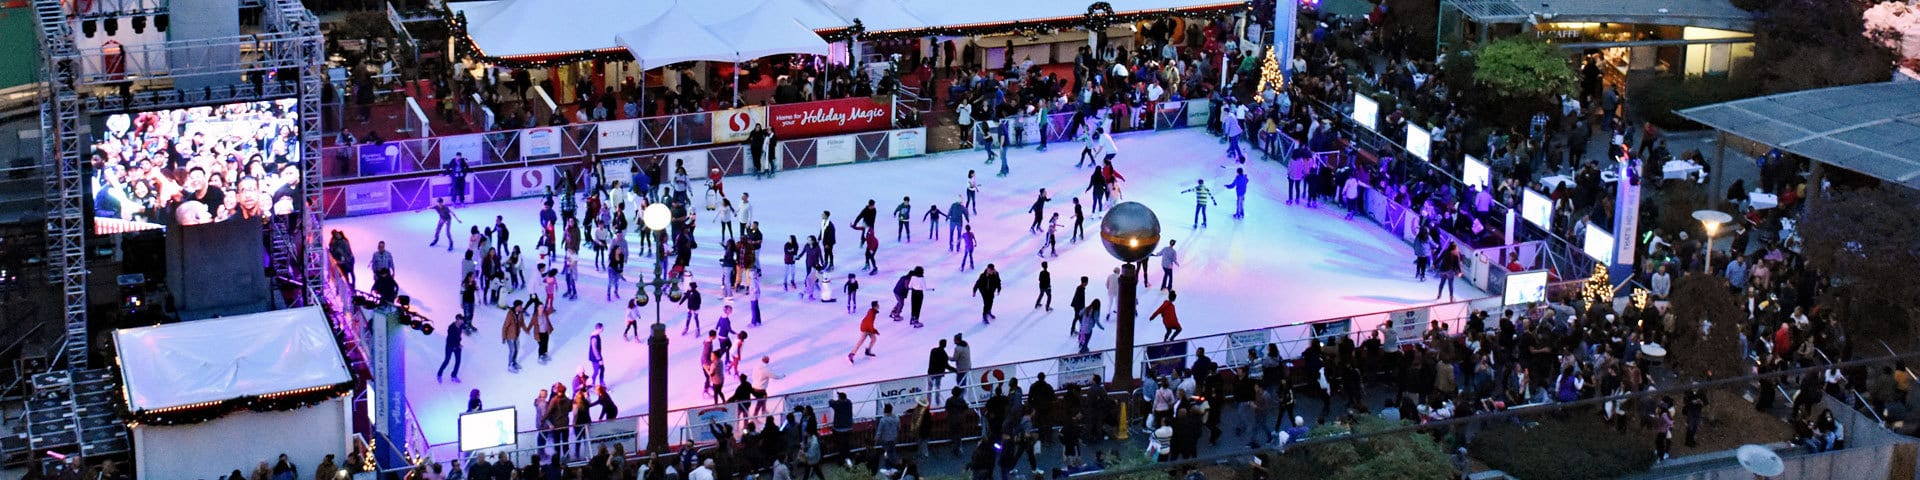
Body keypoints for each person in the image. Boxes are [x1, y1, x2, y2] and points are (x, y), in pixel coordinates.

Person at [438, 313, 465, 382]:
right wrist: (458, 345)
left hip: (457, 345)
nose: (462, 321)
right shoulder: (451, 327)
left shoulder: (461, 325)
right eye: (461, 320)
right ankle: (439, 374)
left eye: (463, 320)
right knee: (447, 361)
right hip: (450, 345)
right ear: (457, 319)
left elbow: (461, 331)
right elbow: (451, 339)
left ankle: (454, 376)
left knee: (458, 361)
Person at [501, 300, 526, 371]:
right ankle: (509, 365)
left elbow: (522, 322)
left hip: (517, 335)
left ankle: (514, 362)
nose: (522, 307)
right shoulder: (510, 314)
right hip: (510, 336)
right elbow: (505, 326)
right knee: (512, 350)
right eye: (520, 306)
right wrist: (503, 337)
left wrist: (526, 329)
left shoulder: (520, 313)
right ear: (517, 306)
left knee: (517, 349)